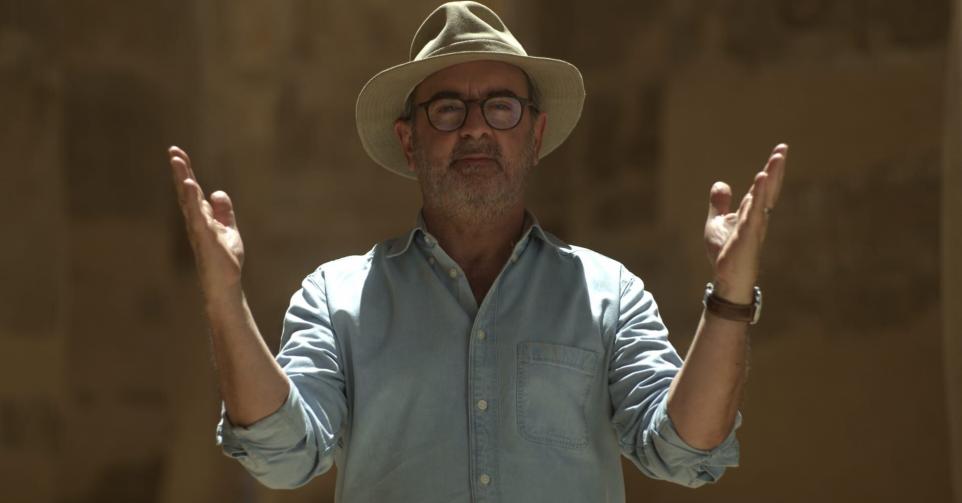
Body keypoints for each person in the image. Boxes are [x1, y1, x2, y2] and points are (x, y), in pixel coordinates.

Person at [166, 2, 787, 501]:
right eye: (447, 109)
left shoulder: (610, 294)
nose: (475, 126)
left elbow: (684, 452)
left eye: (500, 106)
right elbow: (281, 456)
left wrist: (731, 300)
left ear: (535, 135)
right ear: (408, 141)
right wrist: (224, 300)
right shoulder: (336, 297)